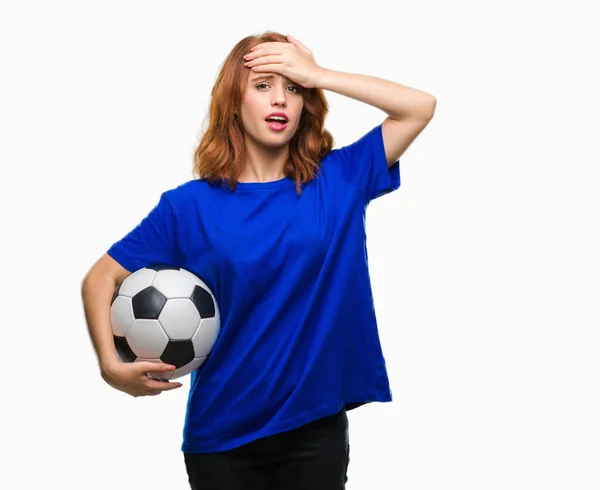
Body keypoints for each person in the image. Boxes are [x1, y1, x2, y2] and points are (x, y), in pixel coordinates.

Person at [81, 31, 435, 490]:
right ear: (234, 101)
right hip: (221, 433)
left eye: (293, 88)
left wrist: (318, 74)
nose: (281, 99)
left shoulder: (341, 178)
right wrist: (109, 364)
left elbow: (418, 107)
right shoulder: (188, 206)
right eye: (264, 85)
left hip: (314, 428)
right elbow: (100, 278)